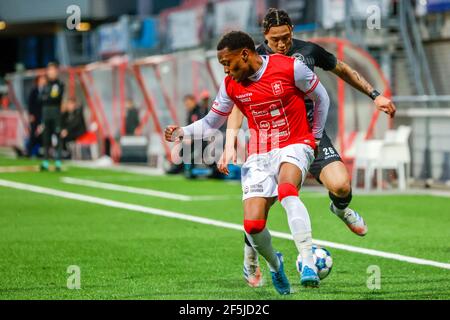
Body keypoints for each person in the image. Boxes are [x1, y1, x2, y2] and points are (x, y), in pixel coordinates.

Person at [216, 8, 397, 288]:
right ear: (264, 36)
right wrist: (229, 143)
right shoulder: (251, 59)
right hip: (272, 141)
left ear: (292, 31)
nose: (281, 44)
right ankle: (250, 260)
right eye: (275, 39)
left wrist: (375, 95)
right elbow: (239, 104)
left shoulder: (307, 52)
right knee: (259, 204)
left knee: (341, 186)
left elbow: (343, 70)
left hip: (309, 135)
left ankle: (340, 209)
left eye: (286, 37)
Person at [165, 31, 330, 294]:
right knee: (253, 226)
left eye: (228, 63)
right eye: (223, 66)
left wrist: (316, 137)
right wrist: (182, 132)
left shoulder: (290, 67)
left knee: (288, 190)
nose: (227, 71)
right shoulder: (231, 85)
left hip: (295, 142)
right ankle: (276, 265)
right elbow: (211, 122)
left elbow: (321, 98)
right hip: (259, 153)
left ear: (245, 54)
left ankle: (308, 262)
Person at [40, 62, 65, 171]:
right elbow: (40, 98)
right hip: (45, 113)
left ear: (56, 71)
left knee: (57, 136)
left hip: (55, 113)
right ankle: (45, 161)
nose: (51, 72)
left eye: (53, 70)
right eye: (49, 70)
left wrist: (47, 97)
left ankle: (58, 161)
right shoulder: (45, 85)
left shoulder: (59, 84)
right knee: (46, 137)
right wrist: (46, 97)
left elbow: (54, 98)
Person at [26, 75, 47, 157]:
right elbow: (30, 104)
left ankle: (39, 151)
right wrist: (31, 115)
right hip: (35, 116)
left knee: (42, 134)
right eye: (42, 79)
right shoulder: (34, 91)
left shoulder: (46, 90)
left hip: (44, 116)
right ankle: (29, 151)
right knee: (33, 134)